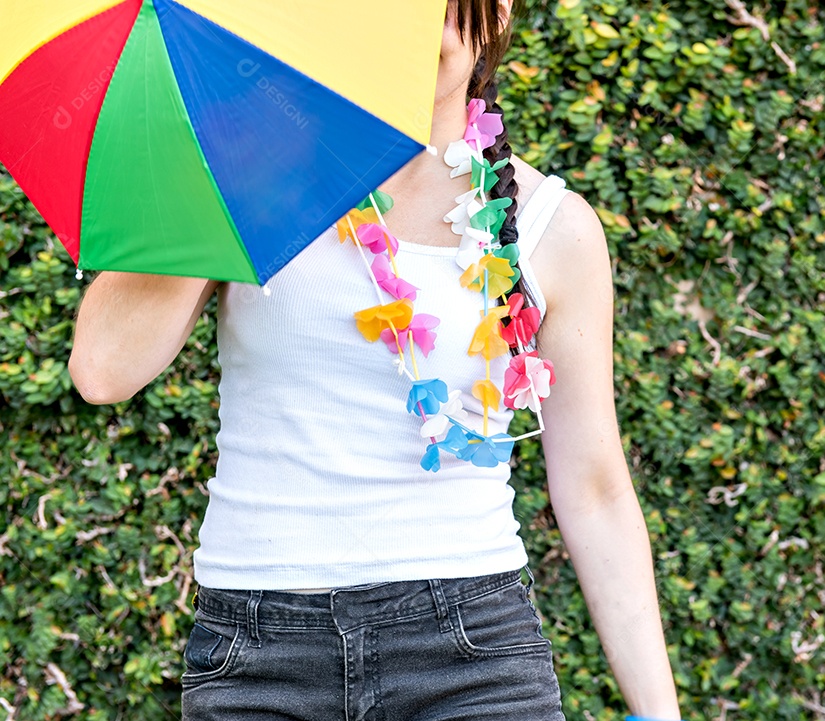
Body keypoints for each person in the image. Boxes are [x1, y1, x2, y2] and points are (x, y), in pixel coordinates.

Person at [67, 0, 682, 719]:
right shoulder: (251, 171)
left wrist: (658, 712)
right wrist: (224, 172)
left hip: (473, 651)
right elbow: (102, 369)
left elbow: (596, 486)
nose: (410, 23)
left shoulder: (554, 229)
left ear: (497, 12)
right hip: (259, 648)